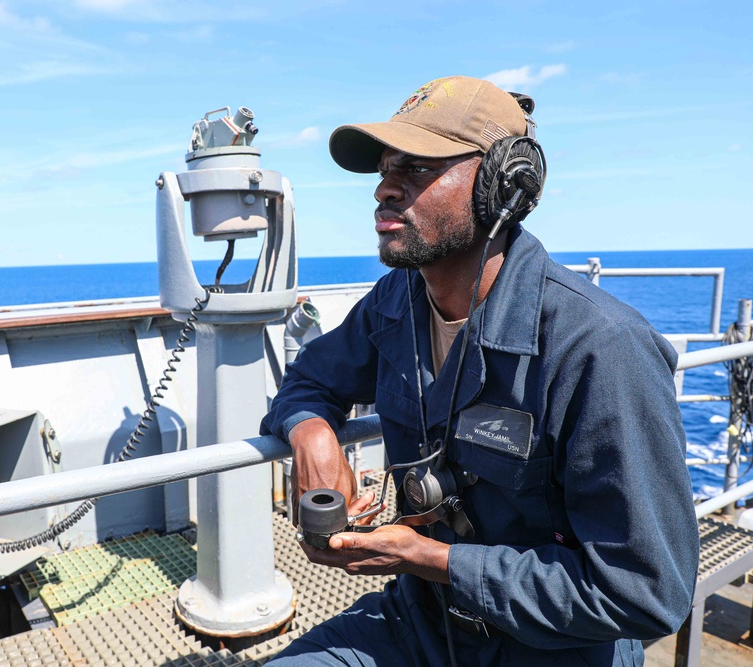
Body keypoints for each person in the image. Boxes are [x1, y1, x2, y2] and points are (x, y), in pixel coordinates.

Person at [260, 76, 699, 666]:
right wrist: (311, 432)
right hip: (421, 621)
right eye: (385, 170)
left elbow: (645, 591)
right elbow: (310, 379)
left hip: (553, 647)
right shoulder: (396, 304)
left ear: (503, 187)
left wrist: (429, 558)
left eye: (416, 169)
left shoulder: (600, 349)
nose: (384, 190)